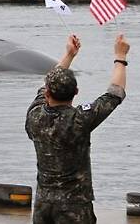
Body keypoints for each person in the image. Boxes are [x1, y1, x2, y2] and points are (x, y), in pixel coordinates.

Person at [26, 34, 129, 224]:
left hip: (43, 205)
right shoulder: (79, 119)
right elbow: (115, 93)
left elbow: (46, 84)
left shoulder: (34, 115)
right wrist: (120, 57)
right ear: (76, 92)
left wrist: (69, 55)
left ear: (47, 93)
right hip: (75, 206)